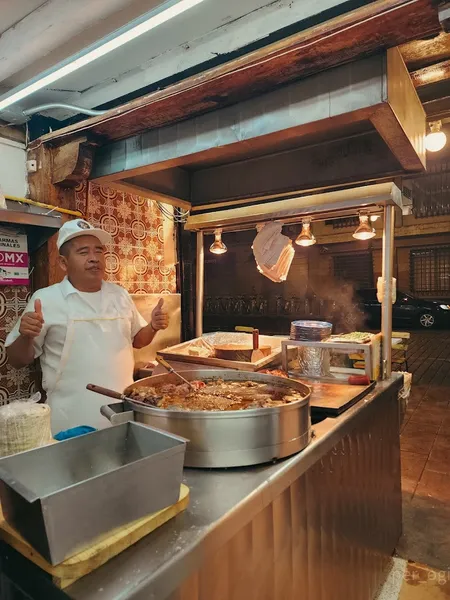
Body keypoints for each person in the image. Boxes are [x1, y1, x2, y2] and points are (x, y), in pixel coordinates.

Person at [6, 219, 169, 434]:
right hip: (70, 418)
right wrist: (26, 336)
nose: (94, 258)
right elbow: (17, 360)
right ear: (64, 263)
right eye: (83, 252)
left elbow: (138, 340)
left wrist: (153, 326)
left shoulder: (119, 295)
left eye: (99, 251)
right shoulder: (46, 299)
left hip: (121, 413)